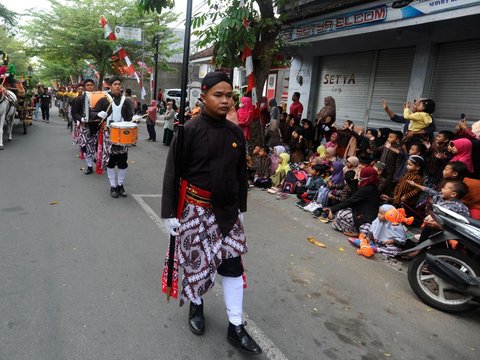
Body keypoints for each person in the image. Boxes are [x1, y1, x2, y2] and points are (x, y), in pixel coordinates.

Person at [161, 71, 262, 355]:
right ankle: (196, 305)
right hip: (195, 211)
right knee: (196, 265)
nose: (225, 101)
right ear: (203, 96)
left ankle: (235, 326)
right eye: (218, 95)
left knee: (232, 267)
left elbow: (240, 174)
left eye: (229, 95)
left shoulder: (234, 134)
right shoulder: (189, 130)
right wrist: (170, 213)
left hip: (228, 212)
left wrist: (242, 208)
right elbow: (172, 175)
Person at [91, 76, 134, 198]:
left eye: (119, 84)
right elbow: (92, 112)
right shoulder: (104, 100)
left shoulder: (126, 100)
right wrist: (98, 114)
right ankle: (113, 186)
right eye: (115, 84)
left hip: (123, 134)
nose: (117, 86)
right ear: (109, 86)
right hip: (108, 133)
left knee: (123, 161)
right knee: (110, 162)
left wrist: (134, 119)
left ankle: (120, 185)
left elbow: (131, 116)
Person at [322, 166, 380, 237]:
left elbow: (351, 201)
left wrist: (332, 209)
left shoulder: (368, 189)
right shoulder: (369, 186)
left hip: (365, 217)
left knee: (341, 214)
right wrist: (355, 180)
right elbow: (354, 195)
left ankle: (357, 232)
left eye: (361, 173)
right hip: (360, 211)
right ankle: (356, 230)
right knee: (336, 220)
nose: (359, 174)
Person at [71, 79, 99, 174]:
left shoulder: (100, 98)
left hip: (97, 125)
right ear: (84, 87)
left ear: (94, 86)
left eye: (91, 85)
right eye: (87, 85)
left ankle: (96, 159)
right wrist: (81, 119)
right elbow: (74, 113)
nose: (90, 87)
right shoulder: (79, 99)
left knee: (96, 145)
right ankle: (90, 166)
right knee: (85, 147)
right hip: (85, 126)